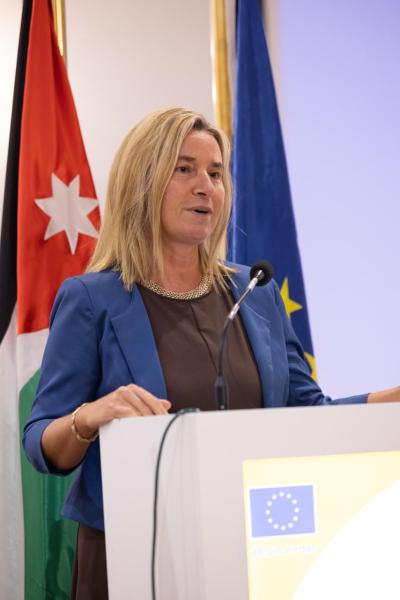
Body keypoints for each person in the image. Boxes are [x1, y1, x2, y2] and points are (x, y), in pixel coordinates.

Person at [23, 107, 400, 599]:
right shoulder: (93, 299)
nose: (206, 186)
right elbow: (40, 444)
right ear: (143, 182)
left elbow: (305, 412)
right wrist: (89, 417)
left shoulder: (255, 292)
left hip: (252, 546)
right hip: (136, 551)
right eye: (185, 169)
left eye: (216, 173)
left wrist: (388, 401)